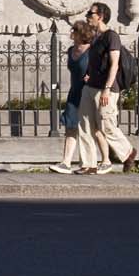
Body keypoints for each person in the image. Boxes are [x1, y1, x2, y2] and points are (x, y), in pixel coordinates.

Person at [76, 1, 137, 175]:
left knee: (106, 125)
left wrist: (107, 89)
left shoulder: (111, 36)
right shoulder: (95, 38)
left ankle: (128, 152)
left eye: (90, 13)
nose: (87, 16)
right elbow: (94, 63)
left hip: (106, 89)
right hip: (90, 87)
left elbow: (114, 65)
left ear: (100, 17)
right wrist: (87, 76)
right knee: (85, 126)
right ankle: (89, 164)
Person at [49, 18, 99, 174]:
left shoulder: (92, 50)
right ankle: (66, 162)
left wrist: (91, 76)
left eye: (74, 30)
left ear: (81, 33)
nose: (72, 33)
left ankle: (98, 161)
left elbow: (100, 68)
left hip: (88, 91)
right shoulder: (71, 50)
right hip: (75, 91)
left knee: (90, 128)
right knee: (71, 126)